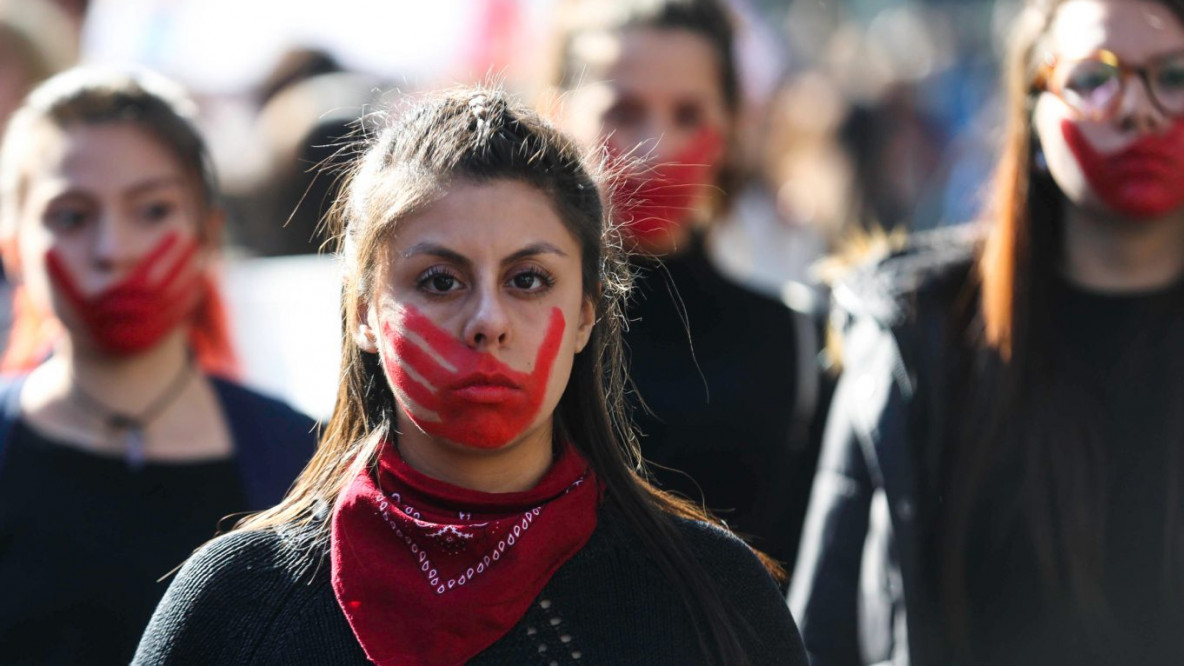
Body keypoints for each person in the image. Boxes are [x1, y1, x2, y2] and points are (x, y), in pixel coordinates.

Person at [132, 87, 807, 666]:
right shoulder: (238, 604)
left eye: (528, 280)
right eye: (440, 281)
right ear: (364, 312)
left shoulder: (712, 597)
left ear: (584, 315)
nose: (488, 320)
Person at [790, 0, 1184, 664]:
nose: (1138, 109)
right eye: (1094, 79)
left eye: (1174, 77)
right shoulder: (916, 340)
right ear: (1031, 112)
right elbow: (822, 632)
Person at [0, 67, 317, 665]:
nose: (112, 250)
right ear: (14, 248)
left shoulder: (308, 466)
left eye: (151, 211)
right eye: (71, 216)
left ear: (207, 235)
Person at [549, 0, 829, 574]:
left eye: (688, 115)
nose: (658, 148)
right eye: (623, 111)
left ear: (729, 128)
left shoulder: (795, 340)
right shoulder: (513, 328)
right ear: (557, 118)